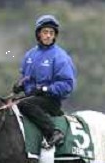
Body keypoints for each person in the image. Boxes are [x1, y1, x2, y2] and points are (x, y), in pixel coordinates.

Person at [13, 15, 77, 148]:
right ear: (38, 34)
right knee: (11, 106)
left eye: (51, 33)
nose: (48, 36)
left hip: (50, 101)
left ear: (54, 36)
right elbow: (26, 79)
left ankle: (53, 132)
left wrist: (45, 89)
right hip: (32, 98)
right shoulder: (30, 55)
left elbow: (67, 85)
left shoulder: (60, 57)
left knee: (24, 104)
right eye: (45, 32)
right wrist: (20, 85)